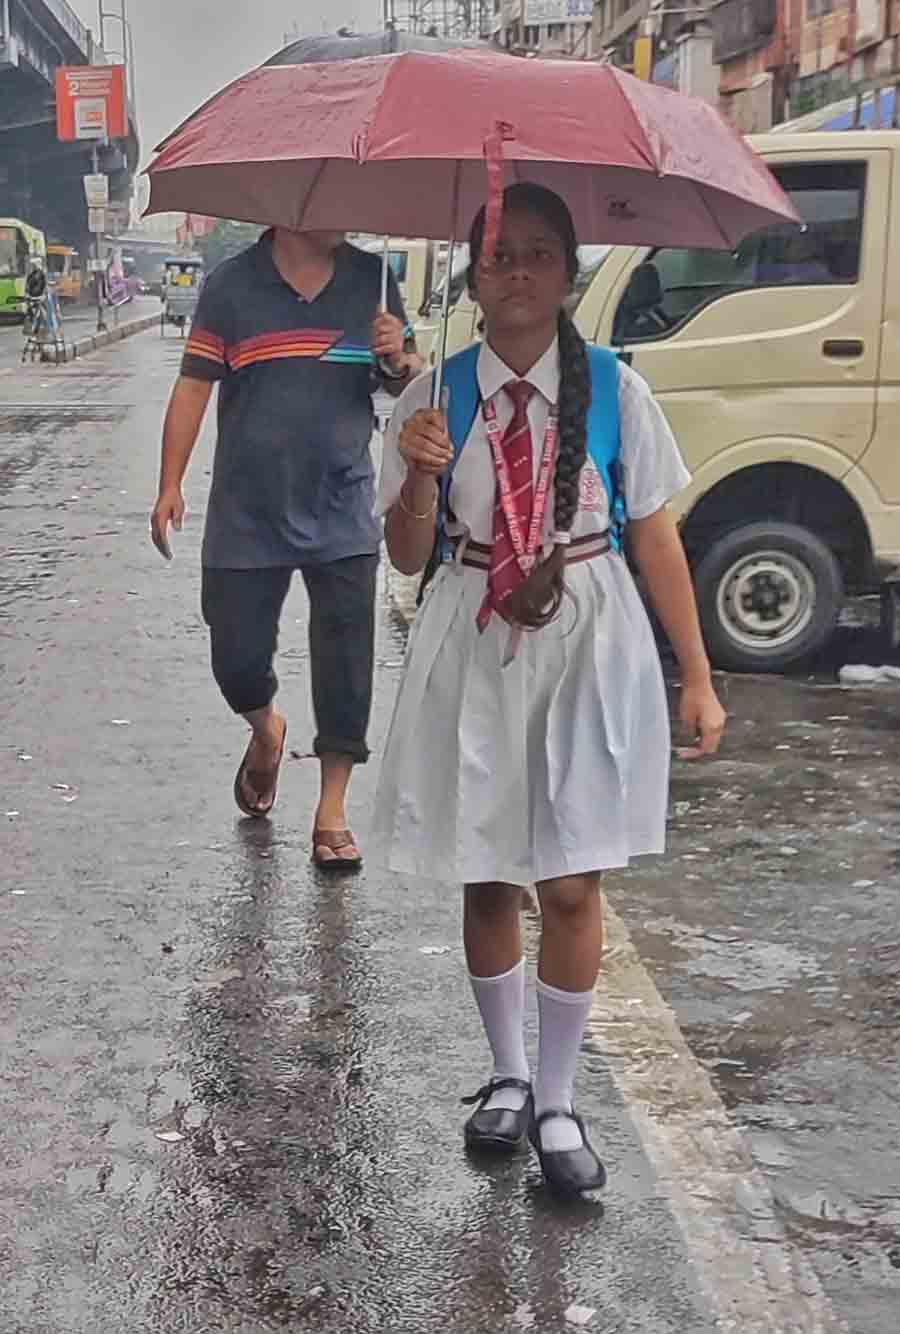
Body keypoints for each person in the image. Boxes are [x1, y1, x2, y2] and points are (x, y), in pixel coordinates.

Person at [373, 184, 726, 1198]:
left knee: (570, 877)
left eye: (537, 253)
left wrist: (696, 674)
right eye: (497, 255)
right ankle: (509, 1073)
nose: (517, 270)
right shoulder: (432, 397)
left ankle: (562, 1097)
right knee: (487, 868)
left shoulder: (617, 389)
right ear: (472, 278)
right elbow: (406, 556)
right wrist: (420, 478)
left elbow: (653, 533)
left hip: (589, 636)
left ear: (567, 272)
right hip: (474, 636)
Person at [150, 227, 422, 869]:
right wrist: (170, 482)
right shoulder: (232, 286)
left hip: (342, 504)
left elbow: (403, 385)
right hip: (247, 510)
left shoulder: (373, 280)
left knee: (346, 661)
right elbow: (194, 386)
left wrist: (399, 355)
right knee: (236, 658)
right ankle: (267, 730)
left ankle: (332, 809)